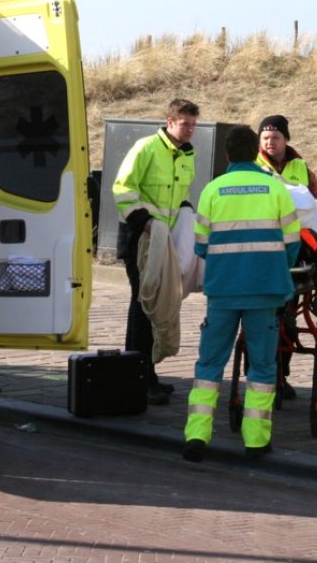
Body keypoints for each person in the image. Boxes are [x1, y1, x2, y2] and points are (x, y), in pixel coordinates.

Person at [183, 125, 301, 463]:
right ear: (255, 152)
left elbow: (201, 246)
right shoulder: (275, 189)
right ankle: (256, 440)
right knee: (263, 367)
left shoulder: (212, 190)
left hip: (223, 291)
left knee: (209, 363)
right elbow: (292, 243)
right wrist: (275, 266)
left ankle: (197, 434)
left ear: (227, 154)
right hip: (265, 290)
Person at [112, 98, 200, 406]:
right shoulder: (146, 147)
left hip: (166, 241)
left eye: (193, 125)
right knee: (143, 305)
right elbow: (123, 188)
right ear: (169, 121)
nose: (190, 130)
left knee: (154, 305)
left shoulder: (187, 154)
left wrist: (187, 217)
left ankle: (145, 375)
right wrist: (146, 222)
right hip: (140, 238)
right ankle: (138, 378)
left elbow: (182, 196)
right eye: (184, 124)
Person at [255, 114, 317, 400]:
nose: (271, 142)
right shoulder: (253, 167)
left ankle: (281, 375)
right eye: (266, 138)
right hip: (261, 251)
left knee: (288, 317)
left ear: (286, 139)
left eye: (276, 137)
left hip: (294, 252)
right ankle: (260, 376)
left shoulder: (301, 168)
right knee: (259, 319)